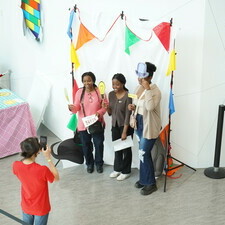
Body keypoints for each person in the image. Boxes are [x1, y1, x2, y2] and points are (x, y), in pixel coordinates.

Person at [128, 62, 161, 195]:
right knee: (142, 154)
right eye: (138, 75)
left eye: (142, 76)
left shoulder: (155, 91)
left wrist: (147, 89)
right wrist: (132, 107)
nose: (139, 78)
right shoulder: (138, 88)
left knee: (143, 153)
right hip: (139, 124)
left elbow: (149, 107)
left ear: (149, 76)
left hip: (149, 126)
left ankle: (150, 183)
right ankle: (144, 179)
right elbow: (135, 102)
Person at [12, 137, 59, 225]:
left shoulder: (15, 165)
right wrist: (48, 158)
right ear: (37, 151)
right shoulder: (42, 170)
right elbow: (56, 178)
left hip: (26, 206)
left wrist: (35, 151)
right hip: (41, 208)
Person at [68, 72, 107, 173]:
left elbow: (105, 106)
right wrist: (72, 108)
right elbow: (76, 108)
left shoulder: (100, 91)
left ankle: (99, 164)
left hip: (97, 123)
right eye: (84, 81)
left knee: (98, 144)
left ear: (93, 80)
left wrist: (99, 113)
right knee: (86, 145)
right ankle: (89, 164)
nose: (87, 83)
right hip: (83, 124)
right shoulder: (79, 92)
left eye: (89, 80)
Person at [106, 73, 133, 181]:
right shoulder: (111, 95)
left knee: (126, 150)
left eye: (117, 84)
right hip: (115, 125)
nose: (114, 87)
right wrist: (107, 107)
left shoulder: (128, 96)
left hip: (125, 127)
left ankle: (126, 171)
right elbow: (110, 113)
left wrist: (124, 132)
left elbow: (128, 114)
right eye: (113, 84)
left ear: (122, 84)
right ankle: (117, 169)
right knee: (117, 148)